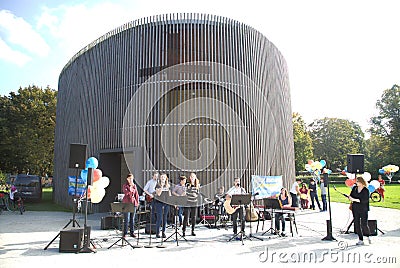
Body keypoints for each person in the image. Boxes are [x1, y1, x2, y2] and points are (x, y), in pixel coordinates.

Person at [348, 176, 371, 245]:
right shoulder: (355, 188)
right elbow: (351, 195)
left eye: (358, 181)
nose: (356, 182)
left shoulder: (366, 190)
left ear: (361, 182)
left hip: (363, 209)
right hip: (355, 208)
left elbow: (365, 200)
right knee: (357, 224)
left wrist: (356, 200)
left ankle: (368, 236)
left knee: (364, 224)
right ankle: (360, 239)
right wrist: (350, 198)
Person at [154, 173, 171, 238]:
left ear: (166, 178)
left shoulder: (168, 185)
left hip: (166, 203)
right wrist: (162, 187)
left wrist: (168, 189)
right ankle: (157, 232)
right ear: (160, 178)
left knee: (165, 218)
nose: (163, 178)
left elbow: (169, 195)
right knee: (159, 218)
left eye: (164, 177)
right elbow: (158, 194)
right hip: (159, 203)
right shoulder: (158, 185)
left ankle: (164, 232)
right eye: (162, 177)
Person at [182, 172, 200, 237]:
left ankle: (193, 230)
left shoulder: (197, 185)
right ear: (190, 177)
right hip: (188, 202)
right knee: (186, 216)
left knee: (193, 217)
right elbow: (185, 192)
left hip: (194, 202)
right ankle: (183, 230)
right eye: (191, 177)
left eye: (193, 177)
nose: (192, 178)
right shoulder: (187, 184)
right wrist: (189, 188)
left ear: (195, 178)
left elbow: (198, 193)